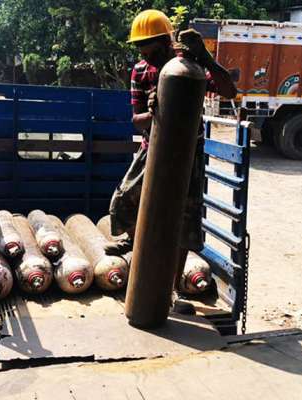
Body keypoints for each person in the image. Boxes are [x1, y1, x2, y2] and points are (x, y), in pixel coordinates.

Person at [104, 9, 236, 260]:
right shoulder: (141, 71)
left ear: (167, 43)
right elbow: (136, 120)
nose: (148, 59)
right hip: (151, 147)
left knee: (184, 219)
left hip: (188, 152)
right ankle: (136, 242)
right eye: (142, 53)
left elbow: (229, 91)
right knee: (122, 202)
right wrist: (154, 113)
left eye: (152, 52)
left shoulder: (190, 67)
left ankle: (174, 287)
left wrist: (206, 57)